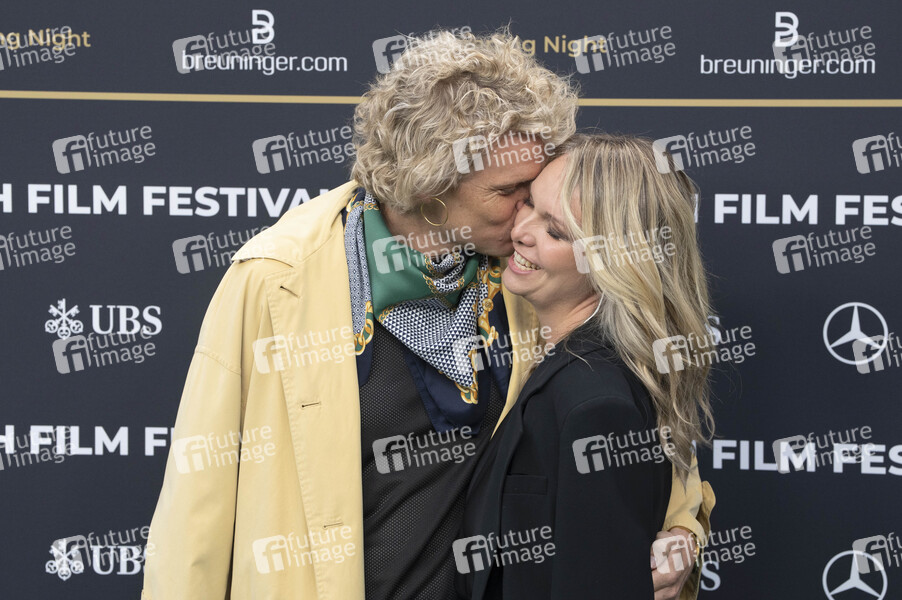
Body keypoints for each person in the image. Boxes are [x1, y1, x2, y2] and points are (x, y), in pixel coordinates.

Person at [141, 31, 713, 600]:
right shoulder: (276, 277)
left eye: (536, 189)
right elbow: (197, 505)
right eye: (510, 191)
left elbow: (631, 422)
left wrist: (684, 530)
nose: (528, 216)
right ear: (432, 186)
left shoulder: (527, 274)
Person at [457, 134, 716, 599]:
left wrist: (687, 532)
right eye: (528, 203)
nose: (521, 231)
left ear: (613, 261)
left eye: (556, 232)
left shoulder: (595, 404)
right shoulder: (562, 360)